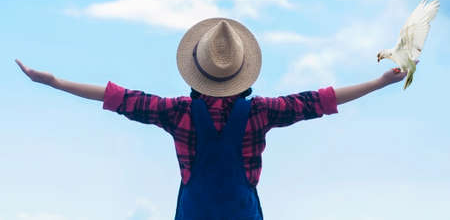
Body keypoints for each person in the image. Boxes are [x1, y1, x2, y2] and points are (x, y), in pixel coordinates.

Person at [16, 17, 410, 220]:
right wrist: (377, 82)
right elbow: (318, 101)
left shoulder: (177, 112)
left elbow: (118, 98)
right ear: (241, 72)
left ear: (196, 69)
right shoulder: (261, 112)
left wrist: (53, 82)